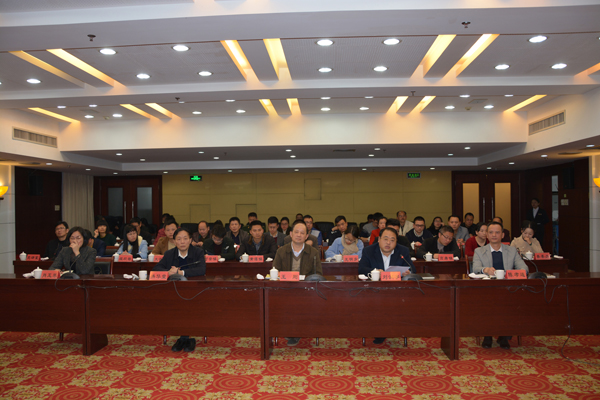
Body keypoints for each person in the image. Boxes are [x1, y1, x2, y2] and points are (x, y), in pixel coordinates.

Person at [473, 221, 528, 350]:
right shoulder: (479, 251)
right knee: (487, 303)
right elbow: (475, 268)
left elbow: (524, 268)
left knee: (510, 302)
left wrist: (512, 273)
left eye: (497, 232)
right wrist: (485, 269)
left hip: (507, 289)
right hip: (487, 289)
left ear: (502, 235)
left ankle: (504, 335)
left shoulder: (512, 250)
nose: (494, 235)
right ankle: (487, 335)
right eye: (491, 232)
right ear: (487, 235)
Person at [359, 227, 416, 345]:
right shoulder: (369, 251)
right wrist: (375, 271)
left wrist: (408, 272)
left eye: (392, 240)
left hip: (396, 291)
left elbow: (412, 269)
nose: (388, 243)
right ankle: (380, 331)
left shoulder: (403, 251)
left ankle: (392, 328)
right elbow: (361, 269)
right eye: (385, 239)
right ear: (379, 239)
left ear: (396, 242)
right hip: (374, 291)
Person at [153, 227, 206, 353]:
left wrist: (181, 272)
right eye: (179, 239)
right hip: (174, 292)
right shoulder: (169, 254)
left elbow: (201, 269)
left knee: (187, 306)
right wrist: (168, 272)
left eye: (185, 238)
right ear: (175, 241)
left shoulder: (198, 252)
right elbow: (156, 268)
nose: (182, 242)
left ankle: (185, 338)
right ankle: (184, 338)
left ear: (190, 240)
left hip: (194, 292)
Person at [273, 220, 323, 347]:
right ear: (291, 234)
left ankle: (295, 332)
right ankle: (288, 329)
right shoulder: (281, 251)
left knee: (298, 302)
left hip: (305, 290)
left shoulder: (313, 252)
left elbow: (318, 274)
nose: (299, 235)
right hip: (285, 289)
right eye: (296, 232)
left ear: (307, 236)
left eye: (302, 233)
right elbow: (275, 271)